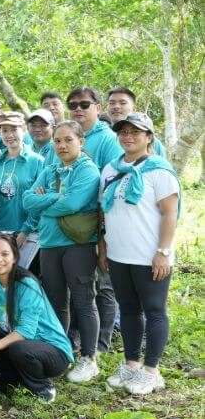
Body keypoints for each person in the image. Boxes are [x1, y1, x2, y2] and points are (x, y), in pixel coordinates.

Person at [100, 112, 180, 395]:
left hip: (149, 256)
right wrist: (104, 248)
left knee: (155, 311)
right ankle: (131, 363)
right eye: (123, 132)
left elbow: (170, 213)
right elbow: (105, 212)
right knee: (130, 310)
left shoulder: (159, 169)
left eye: (135, 131)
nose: (128, 136)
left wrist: (164, 251)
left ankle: (151, 371)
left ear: (149, 137)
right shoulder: (111, 170)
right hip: (120, 255)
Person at [23, 120, 101, 383]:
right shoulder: (50, 169)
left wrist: (46, 201)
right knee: (56, 301)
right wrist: (55, 200)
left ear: (81, 142)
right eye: (57, 140)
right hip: (50, 244)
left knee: (83, 300)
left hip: (78, 244)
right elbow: (26, 201)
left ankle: (89, 358)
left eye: (68, 140)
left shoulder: (88, 171)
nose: (62, 145)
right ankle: (61, 351)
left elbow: (74, 203)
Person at [0, 234, 73, 403]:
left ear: (15, 256)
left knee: (19, 348)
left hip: (53, 352)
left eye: (4, 254)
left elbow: (25, 331)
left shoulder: (26, 284)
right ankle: (3, 384)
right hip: (19, 345)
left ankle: (43, 387)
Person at [66, 87, 123, 352]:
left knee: (104, 284)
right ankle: (78, 337)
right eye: (73, 104)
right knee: (81, 285)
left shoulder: (108, 139)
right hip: (75, 226)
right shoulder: (68, 135)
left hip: (101, 220)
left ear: (97, 108)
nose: (78, 109)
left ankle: (102, 343)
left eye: (84, 104)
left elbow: (113, 181)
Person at [0, 112, 44, 269]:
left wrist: (25, 231)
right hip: (1, 233)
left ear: (24, 129)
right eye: (4, 130)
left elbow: (39, 202)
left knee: (24, 279)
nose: (9, 135)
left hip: (28, 234)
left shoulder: (37, 161)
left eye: (13, 129)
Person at [105, 88, 167, 157]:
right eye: (111, 103)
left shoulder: (150, 141)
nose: (116, 107)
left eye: (123, 103)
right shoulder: (103, 136)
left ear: (134, 109)